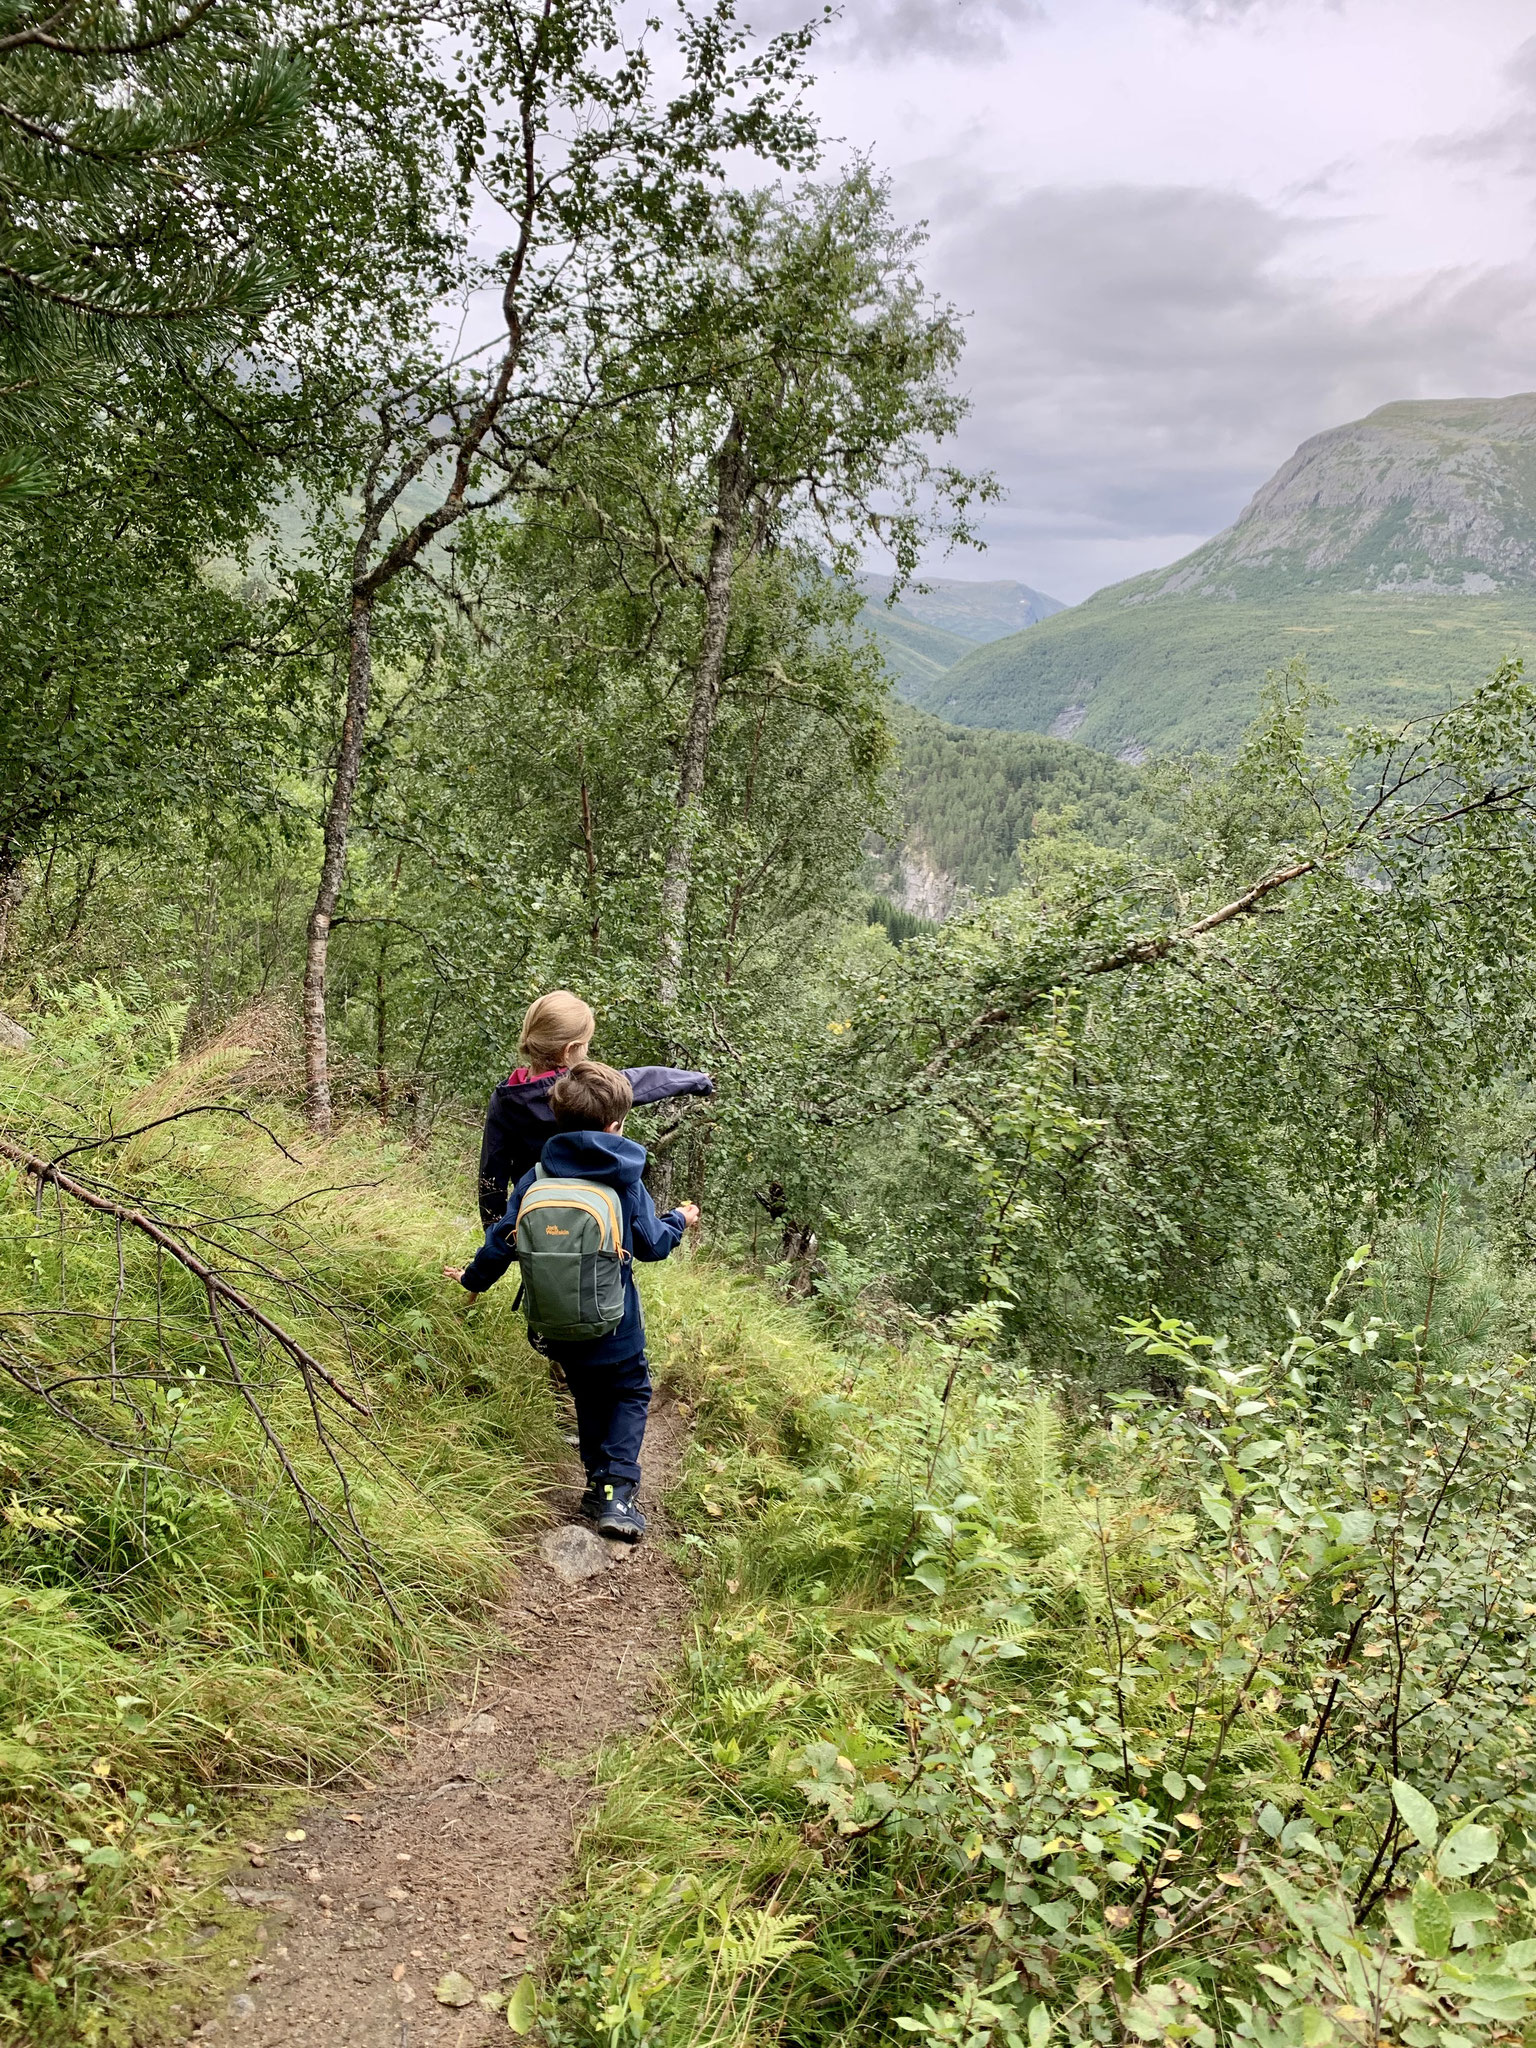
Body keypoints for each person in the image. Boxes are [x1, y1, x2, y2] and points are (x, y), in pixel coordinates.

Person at [445, 1061, 699, 1542]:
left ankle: (593, 1486)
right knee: (630, 1392)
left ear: (557, 1121)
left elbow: (503, 1241)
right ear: (615, 1126)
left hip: (554, 1325)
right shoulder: (624, 1179)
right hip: (615, 1325)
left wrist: (472, 1280)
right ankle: (617, 1492)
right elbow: (652, 1246)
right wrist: (680, 1220)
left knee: (586, 1396)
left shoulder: (537, 1177)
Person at [476, 990, 712, 1226]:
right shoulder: (586, 1088)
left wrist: (497, 1236)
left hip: (537, 1219)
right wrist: (699, 1080)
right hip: (597, 1217)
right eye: (586, 1044)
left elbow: (491, 1175)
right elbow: (646, 1080)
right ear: (569, 1050)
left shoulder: (505, 1099)